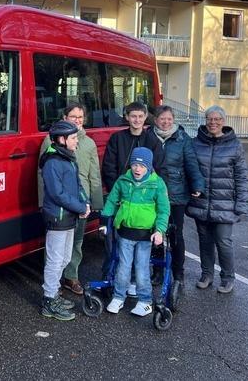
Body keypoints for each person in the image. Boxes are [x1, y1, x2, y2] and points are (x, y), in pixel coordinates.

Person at [38, 103, 103, 295]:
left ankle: (70, 276)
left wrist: (94, 203)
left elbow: (93, 175)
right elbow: (45, 179)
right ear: (65, 117)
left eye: (81, 116)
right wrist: (42, 203)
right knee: (56, 251)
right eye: (73, 116)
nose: (78, 119)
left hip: (80, 203)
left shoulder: (88, 143)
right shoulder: (52, 146)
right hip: (60, 208)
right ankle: (52, 287)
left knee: (75, 244)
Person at [186, 106, 248, 294]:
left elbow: (242, 176)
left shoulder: (235, 145)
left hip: (225, 204)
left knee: (223, 241)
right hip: (201, 203)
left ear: (224, 120)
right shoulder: (195, 143)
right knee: (205, 242)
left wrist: (242, 203)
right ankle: (206, 275)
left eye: (217, 119)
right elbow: (189, 170)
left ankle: (228, 277)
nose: (213, 122)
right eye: (209, 119)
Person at [100, 102, 165, 284]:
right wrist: (118, 192)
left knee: (141, 246)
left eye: (140, 116)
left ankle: (136, 281)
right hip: (120, 197)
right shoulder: (117, 138)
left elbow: (158, 169)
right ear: (127, 117)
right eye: (133, 116)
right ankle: (110, 276)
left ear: (145, 118)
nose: (136, 120)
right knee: (114, 243)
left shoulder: (152, 141)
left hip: (144, 201)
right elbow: (109, 167)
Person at [102, 147, 170, 316]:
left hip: (145, 236)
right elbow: (111, 201)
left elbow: (163, 210)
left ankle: (145, 300)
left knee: (141, 268)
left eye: (142, 166)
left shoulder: (157, 184)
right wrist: (104, 220)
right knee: (123, 267)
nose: (137, 169)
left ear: (149, 166)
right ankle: (119, 296)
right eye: (134, 165)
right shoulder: (123, 181)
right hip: (125, 233)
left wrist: (160, 230)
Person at [148, 105, 205, 286]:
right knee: (155, 233)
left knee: (175, 234)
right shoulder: (148, 136)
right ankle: (157, 271)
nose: (166, 122)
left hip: (176, 194)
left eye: (169, 119)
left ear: (173, 120)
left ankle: (178, 273)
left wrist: (197, 185)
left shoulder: (182, 138)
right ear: (155, 120)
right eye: (162, 119)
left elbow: (191, 164)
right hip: (152, 194)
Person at [39, 120, 90, 321]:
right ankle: (49, 300)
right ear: (62, 139)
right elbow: (57, 193)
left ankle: (54, 292)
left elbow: (77, 185)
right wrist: (79, 207)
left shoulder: (68, 158)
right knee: (54, 260)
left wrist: (84, 202)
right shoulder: (52, 162)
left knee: (65, 259)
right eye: (74, 138)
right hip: (58, 218)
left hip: (69, 216)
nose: (77, 141)